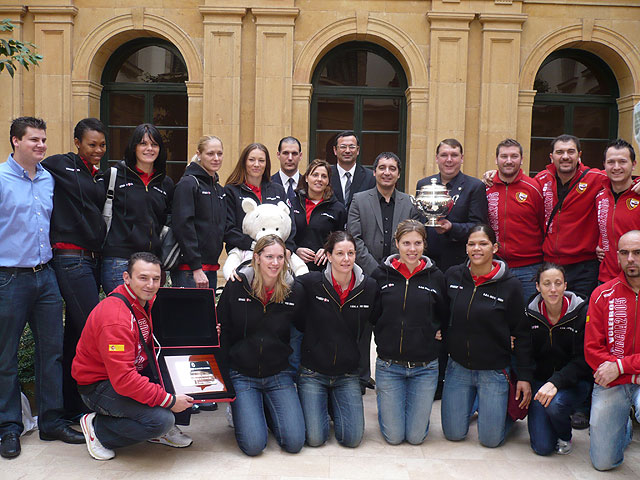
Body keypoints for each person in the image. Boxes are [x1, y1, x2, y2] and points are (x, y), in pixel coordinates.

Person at [1, 117, 85, 460]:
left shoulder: (49, 179)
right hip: (9, 278)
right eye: (34, 140)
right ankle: (8, 427)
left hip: (45, 274)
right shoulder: (1, 180)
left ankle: (52, 420)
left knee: (51, 352)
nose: (41, 146)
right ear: (15, 141)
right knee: (4, 358)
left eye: (44, 140)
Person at [72, 252, 193, 461]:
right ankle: (98, 429)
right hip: (99, 385)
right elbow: (124, 380)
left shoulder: (146, 300)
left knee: (177, 369)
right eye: (143, 278)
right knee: (160, 420)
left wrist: (209, 331)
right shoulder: (116, 319)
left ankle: (161, 430)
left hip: (129, 371)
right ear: (126, 278)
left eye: (156, 279)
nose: (150, 284)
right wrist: (169, 400)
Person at [441, 224, 533, 448]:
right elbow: (440, 313)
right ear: (466, 248)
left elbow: (522, 333)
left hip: (493, 371)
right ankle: (475, 405)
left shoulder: (510, 285)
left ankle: (506, 416)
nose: (477, 248)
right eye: (472, 244)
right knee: (453, 434)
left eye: (483, 243)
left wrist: (524, 376)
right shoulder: (453, 275)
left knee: (490, 441)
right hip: (459, 368)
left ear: (495, 247)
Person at [41, 118, 108, 420]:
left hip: (92, 259)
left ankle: (71, 404)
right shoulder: (59, 164)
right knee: (93, 327)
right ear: (77, 142)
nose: (98, 150)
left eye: (102, 145)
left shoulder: (100, 175)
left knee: (76, 332)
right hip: (70, 258)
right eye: (92, 144)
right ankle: (85, 403)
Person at [218, 235, 305, 456]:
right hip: (242, 374)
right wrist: (226, 382)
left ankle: (265, 408)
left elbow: (302, 329)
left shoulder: (293, 290)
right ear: (256, 258)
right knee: (254, 446)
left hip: (278, 374)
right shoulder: (237, 286)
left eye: (279, 257)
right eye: (269, 257)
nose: (274, 263)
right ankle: (247, 409)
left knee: (294, 443)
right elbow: (222, 332)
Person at [348, 152, 422, 392]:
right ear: (374, 172)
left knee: (393, 326)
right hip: (366, 275)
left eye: (392, 168)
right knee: (362, 328)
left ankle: (392, 376)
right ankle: (360, 377)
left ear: (398, 174)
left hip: (400, 277)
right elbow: (354, 239)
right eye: (382, 168)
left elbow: (413, 240)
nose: (387, 172)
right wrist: (376, 271)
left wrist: (393, 270)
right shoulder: (359, 200)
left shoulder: (409, 203)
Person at [295, 231, 378, 448]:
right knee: (315, 439)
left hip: (347, 374)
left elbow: (383, 318)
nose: (346, 259)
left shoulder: (368, 287)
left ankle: (334, 403)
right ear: (329, 256)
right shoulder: (310, 284)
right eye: (340, 253)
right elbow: (280, 285)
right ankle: (324, 404)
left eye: (350, 253)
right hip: (313, 372)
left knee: (352, 439)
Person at [370, 220, 448, 445]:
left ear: (425, 244)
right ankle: (390, 404)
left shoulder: (436, 277)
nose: (412, 249)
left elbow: (444, 314)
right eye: (406, 243)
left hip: (424, 368)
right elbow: (373, 315)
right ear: (396, 244)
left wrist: (434, 332)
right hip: (389, 366)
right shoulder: (380, 275)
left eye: (417, 243)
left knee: (415, 438)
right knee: (394, 437)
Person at [584, 230, 640, 471]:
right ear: (616, 257)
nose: (631, 259)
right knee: (603, 463)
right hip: (612, 382)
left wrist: (621, 366)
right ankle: (622, 426)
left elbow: (614, 365)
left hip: (618, 371)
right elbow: (592, 349)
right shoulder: (602, 294)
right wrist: (619, 371)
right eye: (625, 253)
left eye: (638, 253)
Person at [525, 263, 591, 456]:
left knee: (556, 405)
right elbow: (524, 352)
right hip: (540, 382)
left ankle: (564, 434)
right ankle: (550, 423)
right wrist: (527, 379)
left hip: (574, 383)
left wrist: (556, 382)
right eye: (547, 284)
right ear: (538, 287)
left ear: (565, 285)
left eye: (558, 283)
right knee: (542, 448)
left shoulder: (582, 313)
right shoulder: (529, 313)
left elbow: (584, 359)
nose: (553, 289)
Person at [101, 123, 174, 295]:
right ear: (134, 147)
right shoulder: (114, 176)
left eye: (154, 144)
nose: (149, 148)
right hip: (119, 260)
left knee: (145, 317)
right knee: (123, 314)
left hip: (151, 262)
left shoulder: (166, 183)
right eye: (143, 143)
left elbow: (168, 219)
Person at [533, 134, 606, 299]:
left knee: (580, 313)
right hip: (550, 264)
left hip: (584, 266)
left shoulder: (596, 178)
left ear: (579, 155)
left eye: (570, 152)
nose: (565, 157)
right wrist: (492, 176)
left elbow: (621, 180)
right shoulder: (541, 180)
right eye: (560, 152)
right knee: (552, 312)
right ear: (552, 157)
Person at [417, 138, 488, 273]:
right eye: (444, 155)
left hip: (459, 262)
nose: (449, 160)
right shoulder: (424, 185)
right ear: (437, 158)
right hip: (427, 262)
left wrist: (452, 227)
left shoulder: (474, 186)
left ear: (461, 158)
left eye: (454, 155)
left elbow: (479, 226)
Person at [486, 139, 544, 300]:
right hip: (494, 265)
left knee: (527, 317)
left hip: (529, 268)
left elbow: (543, 223)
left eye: (514, 156)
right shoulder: (485, 187)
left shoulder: (533, 188)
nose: (509, 161)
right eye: (504, 156)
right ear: (496, 159)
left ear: (522, 159)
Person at [171, 135, 226, 290]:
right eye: (210, 153)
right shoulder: (188, 184)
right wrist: (196, 267)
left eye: (219, 154)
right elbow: (183, 226)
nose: (216, 158)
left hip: (211, 268)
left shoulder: (219, 189)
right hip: (189, 271)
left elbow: (223, 228)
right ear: (199, 154)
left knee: (206, 315)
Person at [224, 143, 295, 254]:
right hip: (243, 253)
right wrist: (253, 245)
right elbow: (227, 228)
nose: (256, 164)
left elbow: (290, 223)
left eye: (261, 161)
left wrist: (288, 248)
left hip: (276, 256)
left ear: (266, 164)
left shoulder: (278, 190)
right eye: (251, 160)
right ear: (244, 162)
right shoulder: (231, 191)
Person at [595, 139, 640, 283]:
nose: (616, 167)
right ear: (604, 165)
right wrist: (599, 244)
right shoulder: (600, 197)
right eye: (611, 162)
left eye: (622, 162)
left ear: (633, 165)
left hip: (636, 278)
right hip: (606, 278)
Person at [291, 159, 347, 272]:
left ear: (328, 181)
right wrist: (295, 249)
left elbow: (341, 239)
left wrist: (328, 249)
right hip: (294, 267)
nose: (319, 179)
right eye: (315, 175)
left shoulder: (338, 208)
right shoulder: (292, 203)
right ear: (306, 178)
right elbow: (284, 235)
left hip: (324, 270)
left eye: (324, 176)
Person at [329, 130, 376, 210]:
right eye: (343, 147)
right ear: (335, 150)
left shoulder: (371, 177)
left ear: (358, 150)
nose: (347, 151)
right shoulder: (326, 175)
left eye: (352, 147)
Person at [271, 136, 303, 205]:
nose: (290, 158)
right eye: (285, 153)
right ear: (278, 155)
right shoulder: (268, 184)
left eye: (294, 153)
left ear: (300, 156)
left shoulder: (308, 185)